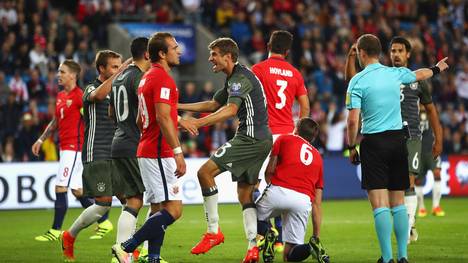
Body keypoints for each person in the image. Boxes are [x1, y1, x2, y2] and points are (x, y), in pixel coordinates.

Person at [346, 34, 448, 263]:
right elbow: (420, 74)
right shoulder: (394, 74)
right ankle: (403, 256)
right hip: (397, 142)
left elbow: (353, 121)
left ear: (362, 54)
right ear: (380, 52)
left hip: (373, 143)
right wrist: (438, 68)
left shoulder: (358, 81)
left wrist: (351, 146)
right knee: (398, 203)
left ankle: (387, 257)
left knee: (380, 205)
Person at [179, 37, 272, 263]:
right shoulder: (235, 77)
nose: (210, 58)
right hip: (260, 138)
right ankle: (253, 247)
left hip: (250, 138)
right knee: (244, 194)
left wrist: (197, 123)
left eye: (214, 54)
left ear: (227, 57)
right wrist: (177, 106)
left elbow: (230, 110)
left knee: (204, 173)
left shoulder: (240, 78)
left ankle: (213, 232)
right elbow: (212, 105)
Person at [112, 32, 195, 263]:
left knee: (158, 207)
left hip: (146, 148)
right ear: (162, 53)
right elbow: (163, 117)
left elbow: (141, 120)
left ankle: (153, 258)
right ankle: (127, 246)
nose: (178, 51)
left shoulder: (146, 77)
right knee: (174, 210)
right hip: (159, 152)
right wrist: (178, 152)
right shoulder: (162, 79)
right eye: (174, 47)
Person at [32, 60, 112, 242]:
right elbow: (55, 121)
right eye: (59, 72)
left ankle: (55, 230)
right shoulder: (60, 96)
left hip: (74, 148)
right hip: (66, 148)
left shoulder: (79, 96)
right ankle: (105, 222)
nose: (58, 75)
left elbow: (92, 118)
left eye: (62, 72)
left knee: (61, 187)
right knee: (77, 190)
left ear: (73, 75)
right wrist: (41, 139)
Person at [61, 50, 128, 261]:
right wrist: (123, 72)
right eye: (114, 66)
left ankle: (125, 249)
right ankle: (69, 236)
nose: (118, 70)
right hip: (96, 152)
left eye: (119, 66)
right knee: (103, 203)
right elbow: (99, 96)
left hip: (116, 153)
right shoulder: (90, 88)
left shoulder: (117, 90)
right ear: (102, 69)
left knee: (130, 201)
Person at [251, 30, 310, 254]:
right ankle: (279, 238)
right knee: (282, 184)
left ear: (268, 45)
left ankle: (265, 231)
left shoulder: (258, 70)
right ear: (287, 51)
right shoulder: (295, 73)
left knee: (258, 185)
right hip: (288, 136)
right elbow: (304, 106)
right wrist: (298, 133)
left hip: (264, 135)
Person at [256, 118, 329, 263]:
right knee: (289, 255)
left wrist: (273, 189)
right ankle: (310, 247)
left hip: (279, 190)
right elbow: (317, 204)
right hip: (303, 201)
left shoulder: (284, 139)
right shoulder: (318, 158)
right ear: (313, 137)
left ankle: (268, 233)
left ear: (296, 128)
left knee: (249, 214)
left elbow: (269, 171)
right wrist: (316, 236)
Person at [108, 37, 151, 262]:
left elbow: (111, 114)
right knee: (139, 200)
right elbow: (143, 114)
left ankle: (127, 252)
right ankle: (127, 251)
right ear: (147, 54)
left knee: (132, 200)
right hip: (135, 143)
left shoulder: (118, 78)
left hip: (119, 142)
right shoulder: (140, 77)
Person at [415, 107, 445, 217]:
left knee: (437, 173)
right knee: (417, 180)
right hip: (418, 152)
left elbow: (439, 128)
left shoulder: (432, 113)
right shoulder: (413, 114)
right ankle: (422, 208)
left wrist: (439, 143)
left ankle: (436, 206)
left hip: (431, 151)